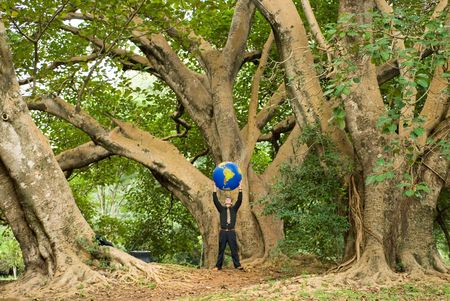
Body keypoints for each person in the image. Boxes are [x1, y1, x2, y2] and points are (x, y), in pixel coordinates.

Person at [212, 183, 244, 271]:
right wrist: (215, 189)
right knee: (221, 249)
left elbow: (240, 200)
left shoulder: (234, 209)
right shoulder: (221, 209)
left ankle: (237, 265)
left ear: (231, 202)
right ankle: (218, 266)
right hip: (223, 232)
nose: (227, 201)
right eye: (226, 200)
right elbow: (215, 201)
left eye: (229, 200)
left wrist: (240, 189)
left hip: (231, 232)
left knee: (234, 249)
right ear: (225, 202)